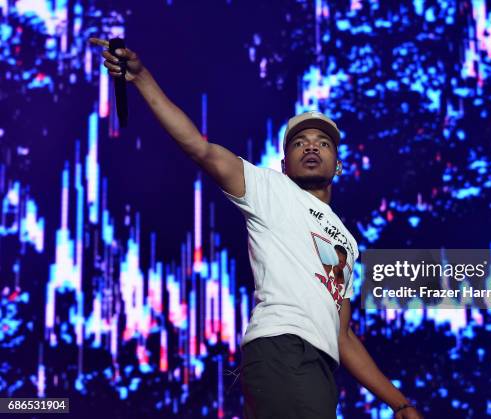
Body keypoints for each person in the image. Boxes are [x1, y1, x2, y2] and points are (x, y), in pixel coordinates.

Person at [89, 37, 423, 419]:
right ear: (284, 164)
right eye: (300, 143)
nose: (311, 148)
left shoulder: (346, 241)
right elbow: (201, 149)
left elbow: (343, 337)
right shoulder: (270, 189)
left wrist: (400, 403)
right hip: (282, 350)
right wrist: (143, 78)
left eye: (322, 143)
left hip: (317, 367)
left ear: (339, 165)